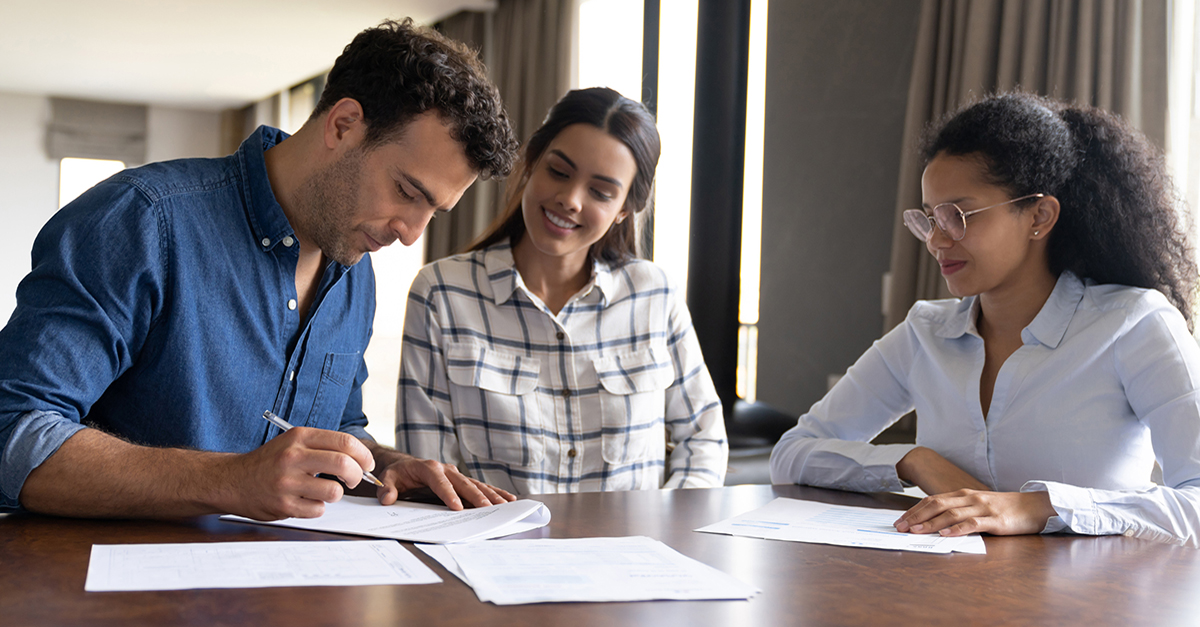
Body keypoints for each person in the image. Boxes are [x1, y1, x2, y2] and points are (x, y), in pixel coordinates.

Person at [0, 18, 521, 521]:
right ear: (343, 126)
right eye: (408, 192)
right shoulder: (141, 221)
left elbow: (336, 426)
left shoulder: (354, 269)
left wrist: (385, 466)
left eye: (433, 212)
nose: (411, 232)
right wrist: (228, 480)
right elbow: (13, 432)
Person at [770, 92, 1200, 547]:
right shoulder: (925, 333)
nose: (937, 241)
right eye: (930, 218)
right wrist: (913, 461)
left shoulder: (1134, 325)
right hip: (951, 601)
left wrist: (1034, 507)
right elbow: (792, 453)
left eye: (957, 216)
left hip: (1089, 606)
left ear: (1039, 215)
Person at [395, 87, 728, 494]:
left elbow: (704, 439)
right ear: (531, 162)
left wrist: (667, 528)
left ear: (624, 208)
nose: (570, 199)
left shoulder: (654, 295)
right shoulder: (441, 295)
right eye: (558, 171)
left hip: (633, 553)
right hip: (494, 552)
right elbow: (430, 473)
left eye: (601, 192)